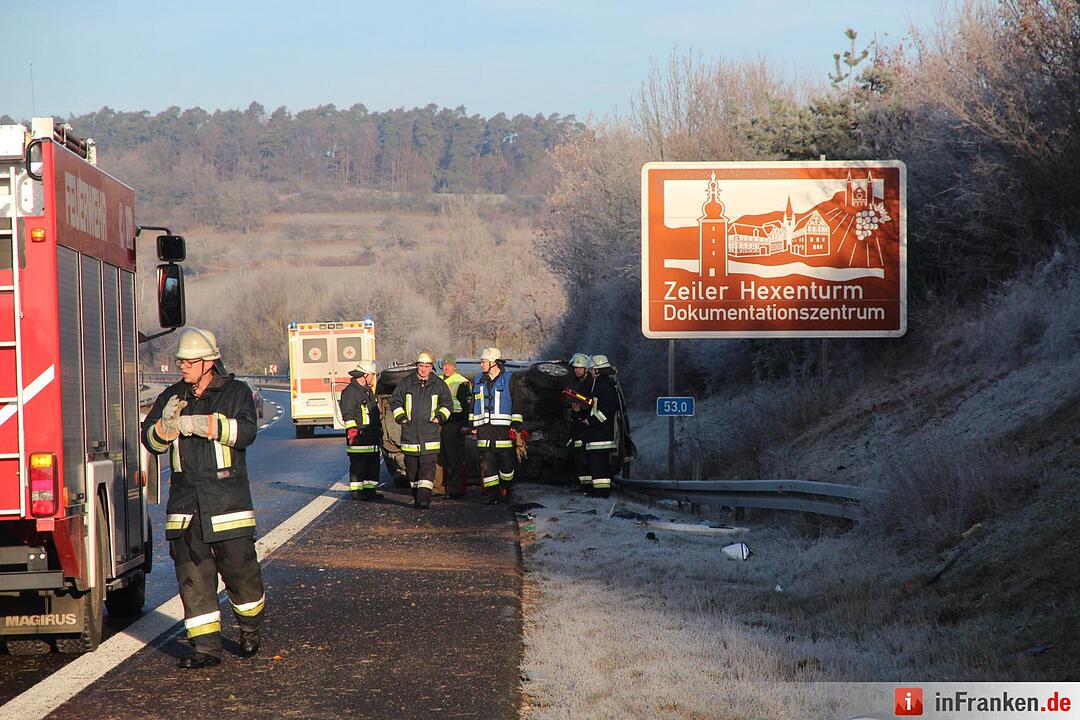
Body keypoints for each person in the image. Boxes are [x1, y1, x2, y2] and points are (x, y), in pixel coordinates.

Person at [141, 328, 264, 669]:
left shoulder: (236, 393)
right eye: (181, 360)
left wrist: (205, 424)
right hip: (186, 508)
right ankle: (206, 649)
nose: (182, 365)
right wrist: (164, 429)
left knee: (241, 575)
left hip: (228, 505)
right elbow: (150, 441)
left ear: (209, 362)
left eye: (189, 361)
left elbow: (247, 433)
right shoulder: (171, 397)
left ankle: (250, 628)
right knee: (193, 579)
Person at [390, 350, 452, 509]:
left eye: (427, 366)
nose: (423, 369)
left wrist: (439, 418)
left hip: (430, 435)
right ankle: (418, 496)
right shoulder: (406, 383)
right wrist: (402, 418)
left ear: (432, 367)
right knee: (412, 471)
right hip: (410, 436)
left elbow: (447, 405)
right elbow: (395, 402)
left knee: (428, 469)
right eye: (421, 365)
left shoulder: (439, 385)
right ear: (416, 366)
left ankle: (424, 500)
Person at [470, 346, 521, 504]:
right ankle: (492, 495)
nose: (481, 364)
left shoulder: (510, 379)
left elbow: (517, 403)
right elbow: (473, 404)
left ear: (493, 362)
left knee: (506, 462)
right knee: (488, 464)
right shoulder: (478, 380)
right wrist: (472, 423)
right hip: (484, 429)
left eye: (483, 361)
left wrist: (516, 424)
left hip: (503, 429)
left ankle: (506, 488)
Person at [340, 359, 382, 501]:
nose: (373, 378)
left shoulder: (368, 391)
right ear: (365, 375)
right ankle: (357, 491)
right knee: (359, 465)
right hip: (359, 437)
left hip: (371, 436)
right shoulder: (350, 392)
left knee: (372, 465)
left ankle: (370, 491)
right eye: (372, 375)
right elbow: (348, 414)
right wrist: (353, 434)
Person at [582, 354, 620, 499]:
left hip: (601, 435)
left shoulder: (604, 385)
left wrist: (591, 421)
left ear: (597, 370)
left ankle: (602, 494)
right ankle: (599, 493)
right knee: (596, 466)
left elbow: (608, 409)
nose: (590, 372)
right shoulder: (601, 383)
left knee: (600, 467)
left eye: (592, 369)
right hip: (597, 434)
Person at [438, 355, 472, 499]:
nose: (446, 368)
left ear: (455, 367)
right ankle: (440, 488)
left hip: (455, 423)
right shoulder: (438, 380)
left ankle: (455, 489)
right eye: (445, 365)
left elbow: (467, 407)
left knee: (455, 458)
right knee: (441, 457)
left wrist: (466, 425)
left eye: (449, 365)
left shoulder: (461, 382)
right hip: (440, 423)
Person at [564, 353, 594, 494]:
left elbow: (592, 402)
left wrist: (581, 408)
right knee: (578, 457)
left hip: (586, 426)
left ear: (586, 369)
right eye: (575, 368)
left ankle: (587, 487)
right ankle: (583, 485)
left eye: (580, 368)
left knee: (584, 458)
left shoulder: (591, 383)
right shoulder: (575, 383)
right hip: (577, 426)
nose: (577, 370)